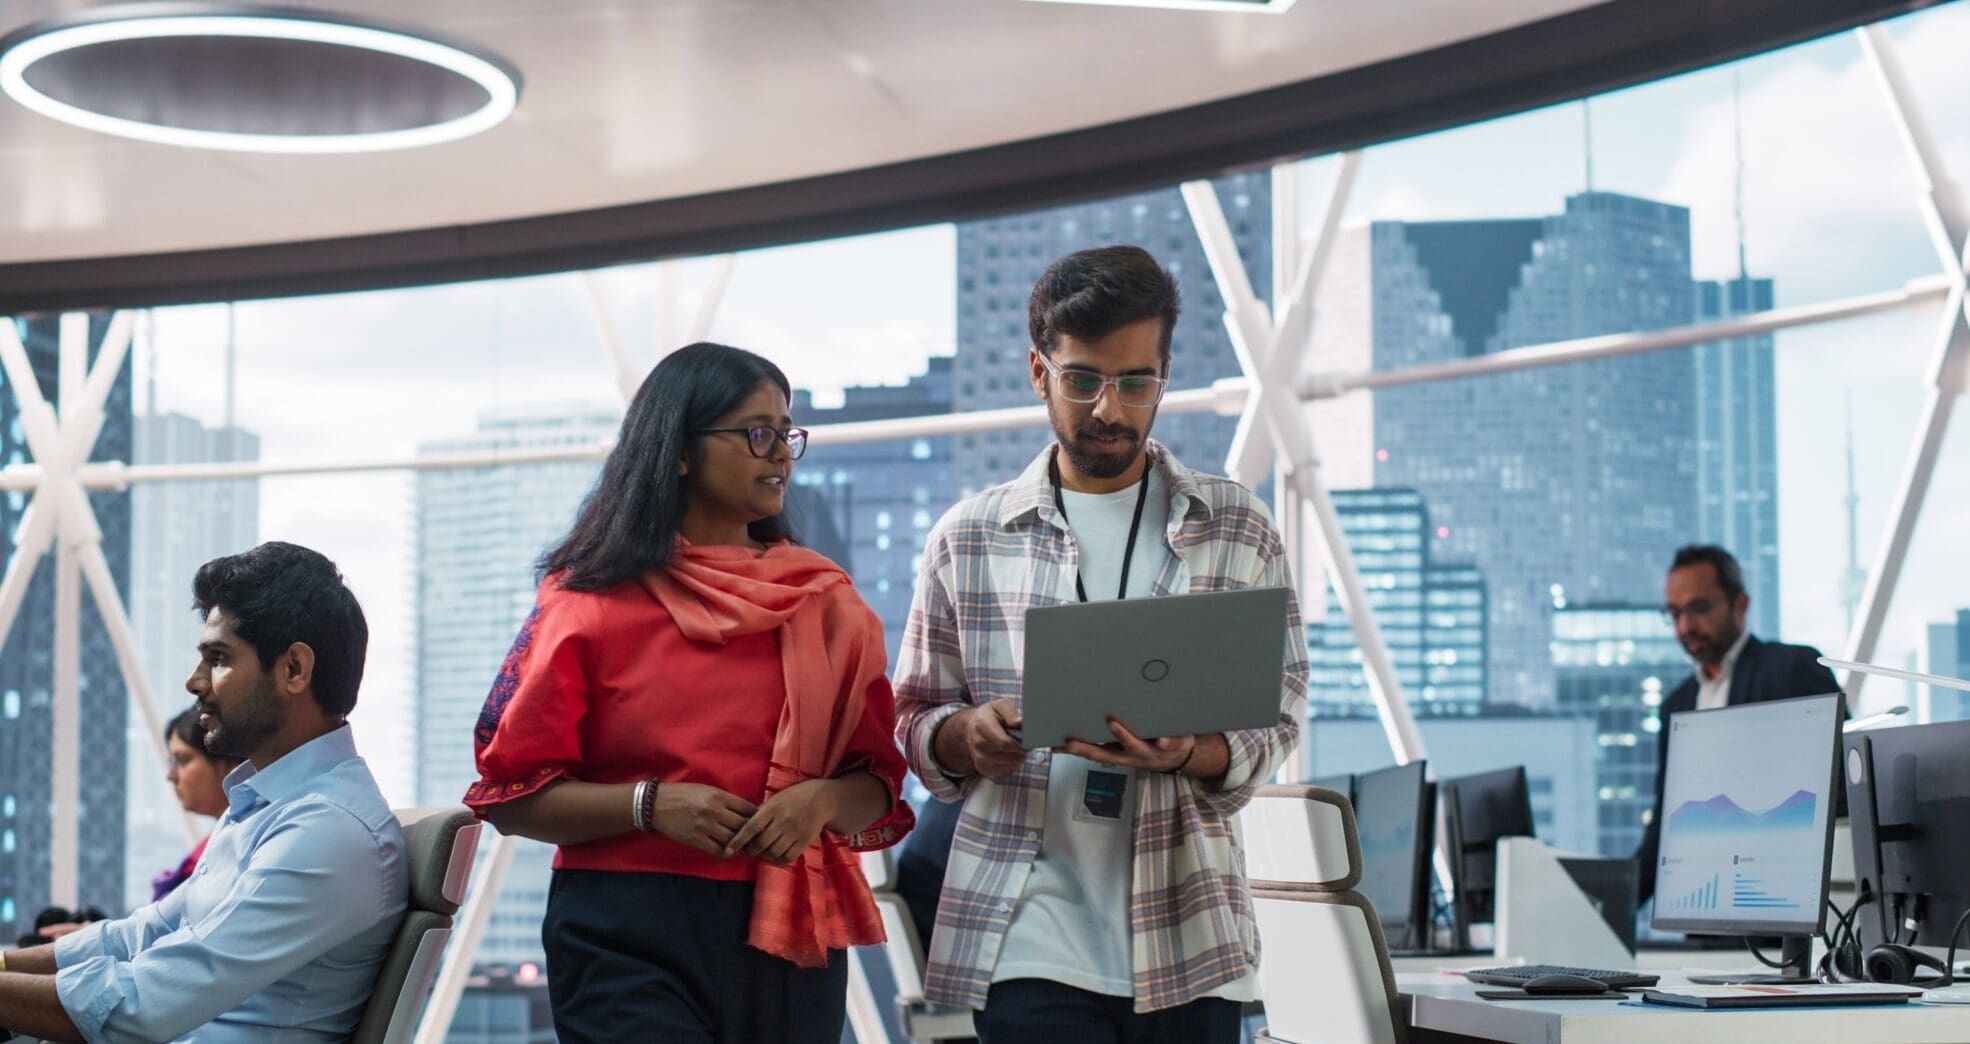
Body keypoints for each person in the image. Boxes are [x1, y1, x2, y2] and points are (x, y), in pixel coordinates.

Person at [895, 246, 1308, 1044]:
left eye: (1135, 382)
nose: (1109, 410)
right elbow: (912, 717)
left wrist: (1196, 751)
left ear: (1164, 376)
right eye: (1083, 380)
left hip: (1190, 931)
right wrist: (964, 736)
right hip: (1024, 929)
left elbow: (1280, 712)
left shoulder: (1236, 525)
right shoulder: (968, 538)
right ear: (1038, 371)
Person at [465, 342, 915, 1044]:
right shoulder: (584, 604)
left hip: (792, 929)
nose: (780, 455)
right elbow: (511, 794)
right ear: (678, 451)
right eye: (755, 434)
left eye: (785, 433)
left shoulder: (825, 602)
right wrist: (649, 805)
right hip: (623, 931)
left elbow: (878, 781)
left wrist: (822, 800)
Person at [0, 541, 406, 1043]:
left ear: (295, 670)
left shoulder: (327, 831)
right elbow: (143, 934)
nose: (195, 682)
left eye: (218, 658)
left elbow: (141, 1005)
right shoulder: (266, 808)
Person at [1635, 543, 1841, 904]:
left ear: (1740, 603)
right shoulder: (1676, 705)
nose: (1685, 626)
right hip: (1702, 908)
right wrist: (1610, 901)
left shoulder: (1790, 669)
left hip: (1779, 905)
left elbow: (1838, 790)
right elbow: (1666, 826)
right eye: (1675, 613)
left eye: (1699, 609)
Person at [154, 706, 247, 901]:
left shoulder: (242, 850)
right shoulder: (211, 848)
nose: (171, 775)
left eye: (182, 760)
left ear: (227, 763)